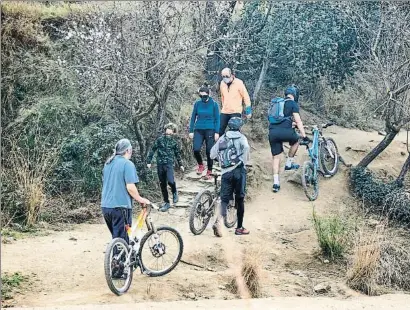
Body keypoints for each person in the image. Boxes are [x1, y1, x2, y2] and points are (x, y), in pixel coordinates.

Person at [101, 139, 150, 245]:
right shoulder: (127, 164)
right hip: (120, 207)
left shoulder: (108, 164)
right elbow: (130, 187)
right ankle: (118, 261)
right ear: (128, 150)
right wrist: (141, 199)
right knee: (121, 241)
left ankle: (120, 259)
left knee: (117, 238)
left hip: (106, 207)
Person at [210, 117, 251, 236]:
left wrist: (222, 160)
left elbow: (212, 154)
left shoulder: (223, 137)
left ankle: (218, 221)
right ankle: (239, 228)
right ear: (239, 127)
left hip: (226, 173)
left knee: (224, 200)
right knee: (240, 199)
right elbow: (247, 148)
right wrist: (243, 160)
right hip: (239, 171)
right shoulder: (242, 137)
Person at [268, 85, 309, 193]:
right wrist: (304, 135)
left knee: (276, 158)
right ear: (295, 95)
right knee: (296, 141)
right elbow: (298, 121)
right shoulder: (293, 104)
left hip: (273, 133)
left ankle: (276, 183)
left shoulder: (277, 103)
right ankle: (289, 163)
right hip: (286, 133)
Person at [147, 123, 184, 212]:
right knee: (162, 184)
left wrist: (181, 164)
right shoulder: (159, 140)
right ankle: (166, 202)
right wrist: (149, 161)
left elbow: (177, 154)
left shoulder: (174, 142)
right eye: (167, 129)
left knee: (171, 181)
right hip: (160, 164)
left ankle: (174, 192)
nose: (169, 131)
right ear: (165, 130)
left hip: (169, 164)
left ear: (173, 132)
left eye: (171, 130)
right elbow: (153, 150)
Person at [189, 85, 220, 179]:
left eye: (205, 96)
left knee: (209, 150)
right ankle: (201, 165)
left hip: (210, 129)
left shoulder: (214, 104)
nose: (203, 98)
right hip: (198, 128)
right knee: (196, 149)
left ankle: (209, 170)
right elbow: (193, 117)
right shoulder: (197, 104)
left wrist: (217, 132)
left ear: (209, 95)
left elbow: (217, 119)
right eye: (201, 96)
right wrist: (191, 130)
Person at [219, 68, 252, 135]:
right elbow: (222, 96)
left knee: (235, 132)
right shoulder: (222, 83)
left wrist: (248, 110)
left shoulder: (239, 83)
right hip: (225, 111)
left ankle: (234, 145)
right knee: (219, 130)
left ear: (232, 75)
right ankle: (220, 144)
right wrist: (223, 106)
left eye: (227, 76)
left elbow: (246, 97)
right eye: (223, 76)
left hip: (235, 111)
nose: (225, 78)